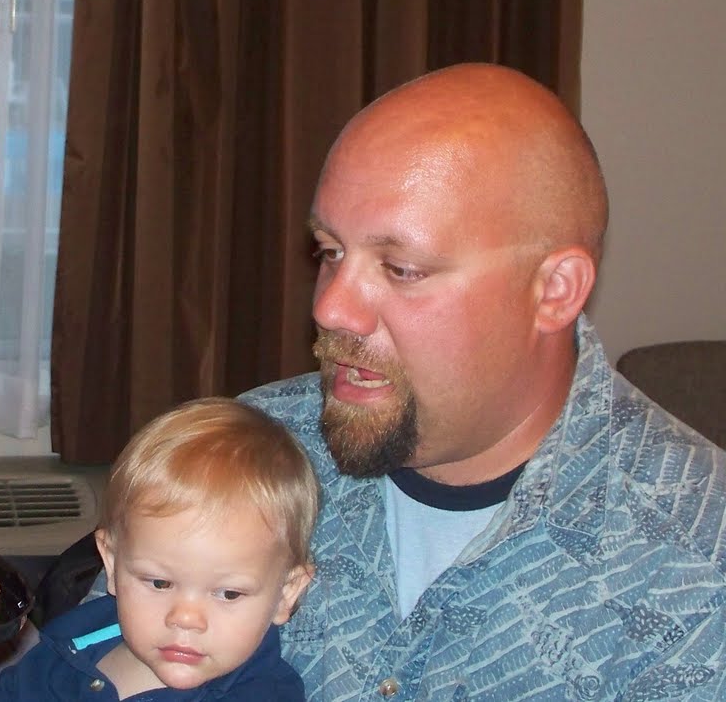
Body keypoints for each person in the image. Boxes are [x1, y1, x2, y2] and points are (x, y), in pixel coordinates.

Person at [242, 63, 726, 699]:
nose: (332, 308)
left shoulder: (699, 568)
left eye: (401, 268)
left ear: (555, 291)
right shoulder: (239, 455)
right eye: (330, 252)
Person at [0, 398, 316, 701]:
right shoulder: (67, 646)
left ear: (286, 593)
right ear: (111, 564)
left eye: (229, 594)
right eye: (160, 583)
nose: (185, 619)